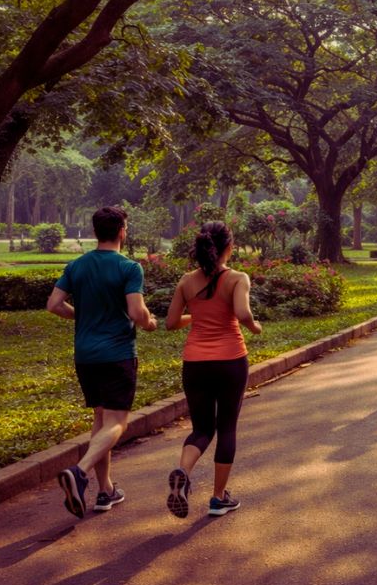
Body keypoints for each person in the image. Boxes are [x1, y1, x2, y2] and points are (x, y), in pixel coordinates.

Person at [47, 206, 157, 518]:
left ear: (96, 232)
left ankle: (105, 490)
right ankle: (80, 473)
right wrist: (149, 323)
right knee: (118, 422)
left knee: (101, 420)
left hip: (85, 356)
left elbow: (54, 304)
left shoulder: (77, 265)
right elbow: (137, 313)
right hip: (117, 354)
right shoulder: (129, 267)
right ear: (123, 230)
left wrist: (80, 315)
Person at [163, 221, 262, 518]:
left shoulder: (186, 281)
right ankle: (218, 498)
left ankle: (183, 471)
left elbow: (170, 323)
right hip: (230, 360)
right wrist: (255, 327)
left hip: (195, 363)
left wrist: (196, 317)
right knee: (226, 427)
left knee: (202, 428)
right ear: (229, 248)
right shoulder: (237, 278)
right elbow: (243, 313)